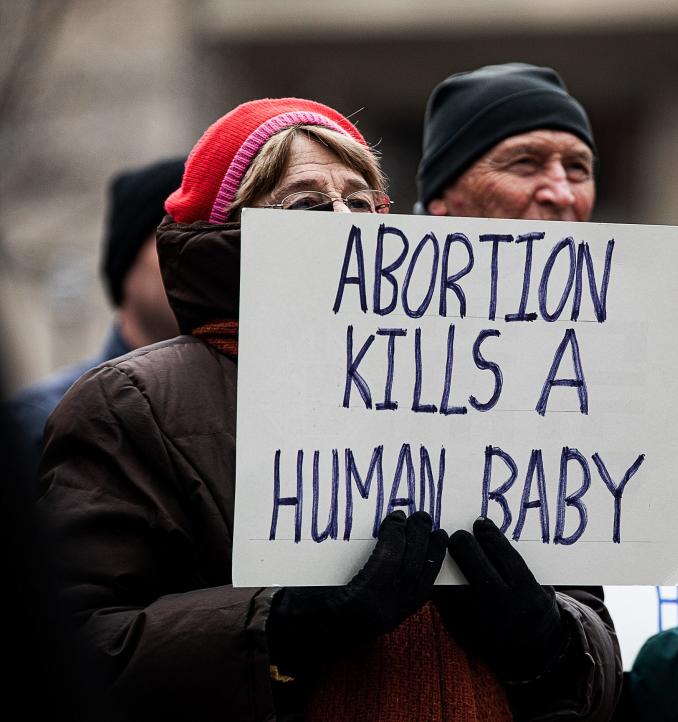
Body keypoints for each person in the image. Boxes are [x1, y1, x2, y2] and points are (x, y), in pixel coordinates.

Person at [37, 96, 617, 722]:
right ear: (232, 230)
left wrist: (550, 642)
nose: (346, 223)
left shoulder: (492, 390)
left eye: (362, 204)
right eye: (308, 205)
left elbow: (601, 659)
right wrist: (285, 626)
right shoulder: (132, 405)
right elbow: (76, 648)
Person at [416, 62, 678, 722]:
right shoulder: (369, 372)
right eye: (524, 163)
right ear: (443, 198)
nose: (560, 192)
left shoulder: (631, 371)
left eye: (578, 167)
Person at [4, 157, 183, 479]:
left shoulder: (243, 415)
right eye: (173, 235)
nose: (196, 257)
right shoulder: (39, 422)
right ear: (125, 262)